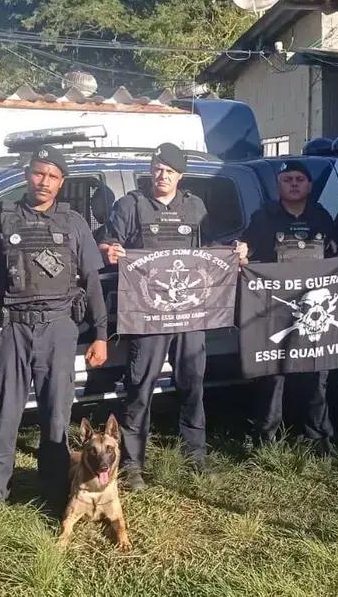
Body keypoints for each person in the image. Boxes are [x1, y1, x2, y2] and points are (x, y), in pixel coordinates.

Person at [0, 145, 108, 511]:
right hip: (13, 328)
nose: (44, 181)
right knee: (5, 412)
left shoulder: (74, 224)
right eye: (39, 173)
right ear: (27, 175)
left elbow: (91, 280)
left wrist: (101, 334)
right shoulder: (1, 218)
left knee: (56, 414)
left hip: (58, 327)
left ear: (62, 182)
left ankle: (55, 491)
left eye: (53, 176)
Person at [99, 143, 226, 490]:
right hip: (147, 314)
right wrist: (111, 251)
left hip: (189, 313)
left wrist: (236, 253)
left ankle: (194, 456)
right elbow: (107, 244)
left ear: (180, 175)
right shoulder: (130, 205)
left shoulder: (195, 207)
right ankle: (133, 464)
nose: (162, 175)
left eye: (169, 170)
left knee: (192, 384)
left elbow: (211, 251)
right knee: (140, 387)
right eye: (157, 168)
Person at [238, 160, 338, 456]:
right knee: (273, 374)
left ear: (309, 186)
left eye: (299, 179)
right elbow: (248, 251)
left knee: (317, 373)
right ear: (279, 185)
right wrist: (242, 254)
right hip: (276, 309)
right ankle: (266, 439)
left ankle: (318, 438)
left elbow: (337, 256)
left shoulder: (321, 217)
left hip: (314, 309)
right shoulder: (263, 218)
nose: (294, 184)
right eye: (287, 179)